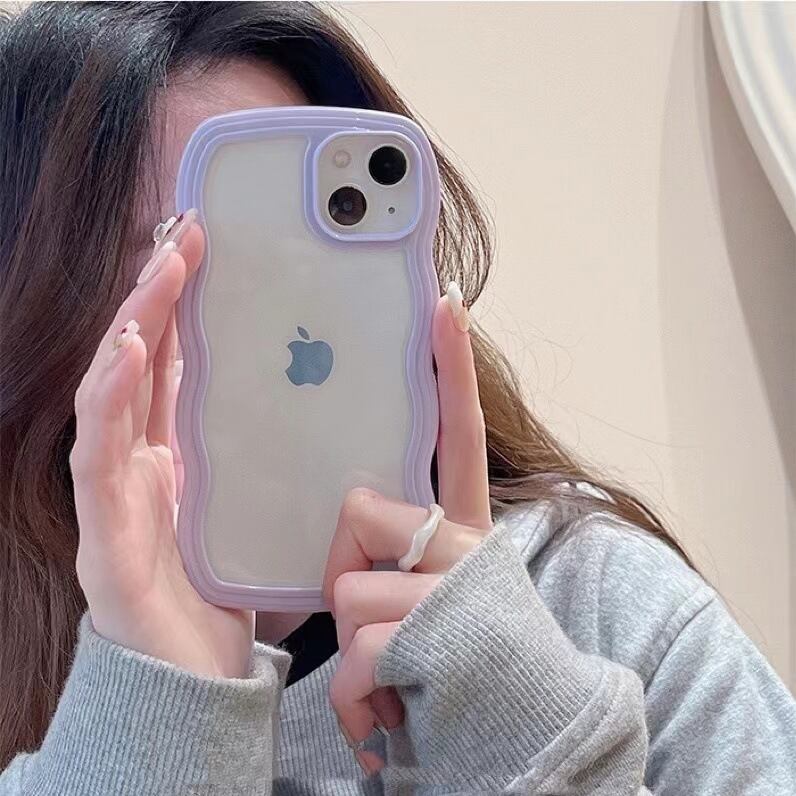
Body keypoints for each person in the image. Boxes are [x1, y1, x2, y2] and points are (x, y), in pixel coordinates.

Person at [0, 3, 794, 794]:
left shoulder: (599, 603)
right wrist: (150, 728)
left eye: (291, 244)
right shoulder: (20, 666)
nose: (277, 326)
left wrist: (525, 736)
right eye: (182, 262)